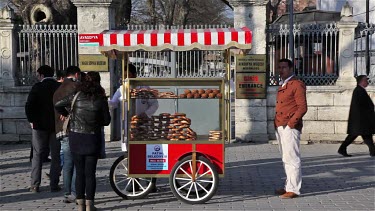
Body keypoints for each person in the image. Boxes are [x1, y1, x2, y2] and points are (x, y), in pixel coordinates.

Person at [55, 72, 111, 211]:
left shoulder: (76, 96)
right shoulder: (100, 99)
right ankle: (90, 205)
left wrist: (68, 113)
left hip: (76, 137)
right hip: (92, 138)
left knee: (79, 172)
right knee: (90, 173)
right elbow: (106, 121)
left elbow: (58, 104)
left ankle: (80, 205)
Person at [274, 58, 307, 199]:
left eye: (284, 67)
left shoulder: (297, 84)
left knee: (292, 158)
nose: (281, 70)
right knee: (286, 157)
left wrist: (291, 124)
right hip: (280, 125)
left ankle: (293, 189)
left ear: (291, 68)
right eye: (279, 67)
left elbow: (302, 107)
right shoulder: (283, 84)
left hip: (289, 126)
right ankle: (289, 185)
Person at [25, 65, 61, 193]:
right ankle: (54, 184)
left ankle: (35, 184)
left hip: (39, 126)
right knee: (56, 155)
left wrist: (32, 120)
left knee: (37, 154)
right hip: (56, 126)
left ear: (41, 75)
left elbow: (29, 105)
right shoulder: (59, 87)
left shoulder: (37, 87)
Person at [109, 63, 159, 151]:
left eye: (128, 76)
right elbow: (113, 103)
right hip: (127, 126)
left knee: (142, 149)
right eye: (124, 76)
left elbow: (154, 104)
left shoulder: (145, 89)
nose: (126, 79)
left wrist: (146, 114)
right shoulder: (121, 89)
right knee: (128, 150)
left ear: (135, 75)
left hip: (143, 124)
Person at [53, 66, 81, 203]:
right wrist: (69, 114)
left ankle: (66, 192)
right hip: (73, 129)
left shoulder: (58, 89)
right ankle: (75, 192)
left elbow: (57, 106)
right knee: (76, 162)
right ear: (76, 74)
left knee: (67, 163)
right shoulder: (76, 87)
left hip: (60, 130)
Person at [338, 75, 375, 157]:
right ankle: (342, 149)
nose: (367, 82)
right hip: (360, 119)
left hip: (361, 119)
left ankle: (373, 151)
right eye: (366, 80)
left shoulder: (360, 90)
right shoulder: (358, 91)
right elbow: (362, 106)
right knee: (355, 134)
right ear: (361, 81)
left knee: (366, 134)